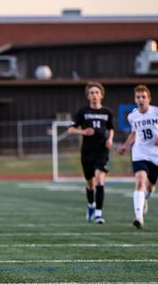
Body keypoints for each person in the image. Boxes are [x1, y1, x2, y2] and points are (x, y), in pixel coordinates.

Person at [67, 82, 114, 224]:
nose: (94, 95)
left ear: (101, 95)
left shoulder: (107, 112)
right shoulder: (83, 112)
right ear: (88, 96)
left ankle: (99, 214)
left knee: (99, 179)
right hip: (87, 152)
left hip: (102, 150)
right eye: (91, 93)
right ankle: (91, 205)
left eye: (97, 92)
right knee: (90, 184)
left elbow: (111, 128)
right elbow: (70, 129)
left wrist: (110, 139)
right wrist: (83, 131)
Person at [117, 84, 158, 229]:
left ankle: (144, 199)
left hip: (156, 155)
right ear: (135, 99)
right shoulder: (132, 116)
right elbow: (134, 133)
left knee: (151, 186)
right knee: (140, 181)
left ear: (149, 99)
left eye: (144, 97)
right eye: (138, 97)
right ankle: (139, 217)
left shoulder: (156, 112)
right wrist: (125, 146)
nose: (141, 99)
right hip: (140, 152)